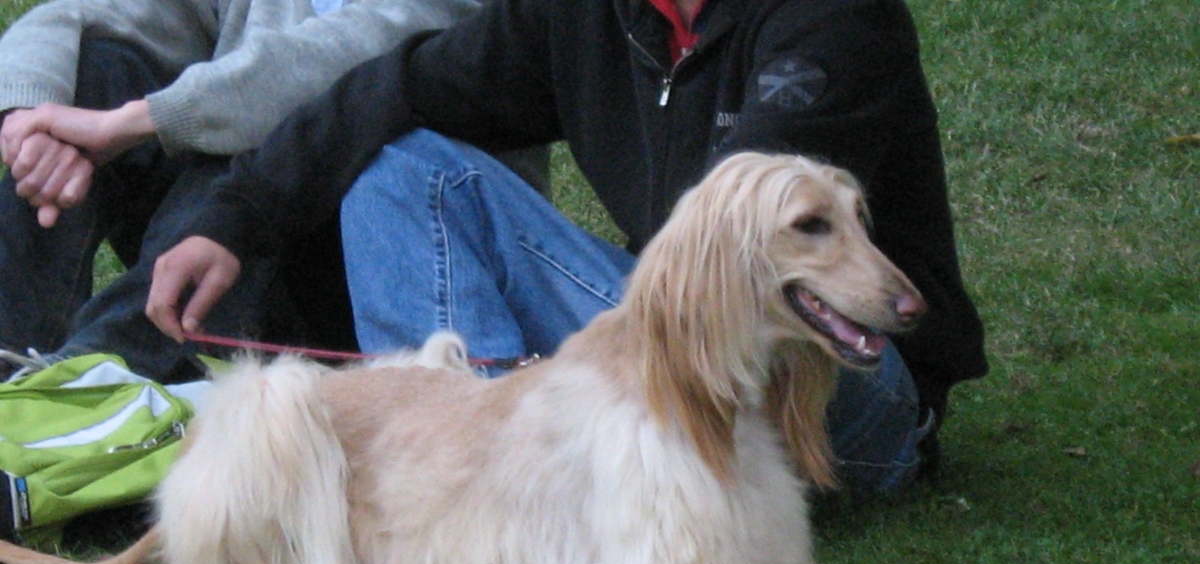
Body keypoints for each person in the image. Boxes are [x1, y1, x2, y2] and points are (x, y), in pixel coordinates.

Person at [145, 0, 988, 494]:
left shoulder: (839, 19)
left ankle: (491, 481)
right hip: (673, 380)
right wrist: (234, 216)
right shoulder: (590, 12)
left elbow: (726, 262)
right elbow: (400, 87)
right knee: (398, 160)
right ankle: (467, 469)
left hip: (848, 396)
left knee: (423, 171)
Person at [0, 0, 545, 382]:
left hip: (371, 282)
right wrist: (36, 121)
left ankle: (90, 385)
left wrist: (141, 120)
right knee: (98, 69)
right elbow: (92, 10)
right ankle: (10, 362)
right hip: (226, 243)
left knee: (257, 137)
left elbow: (329, 68)